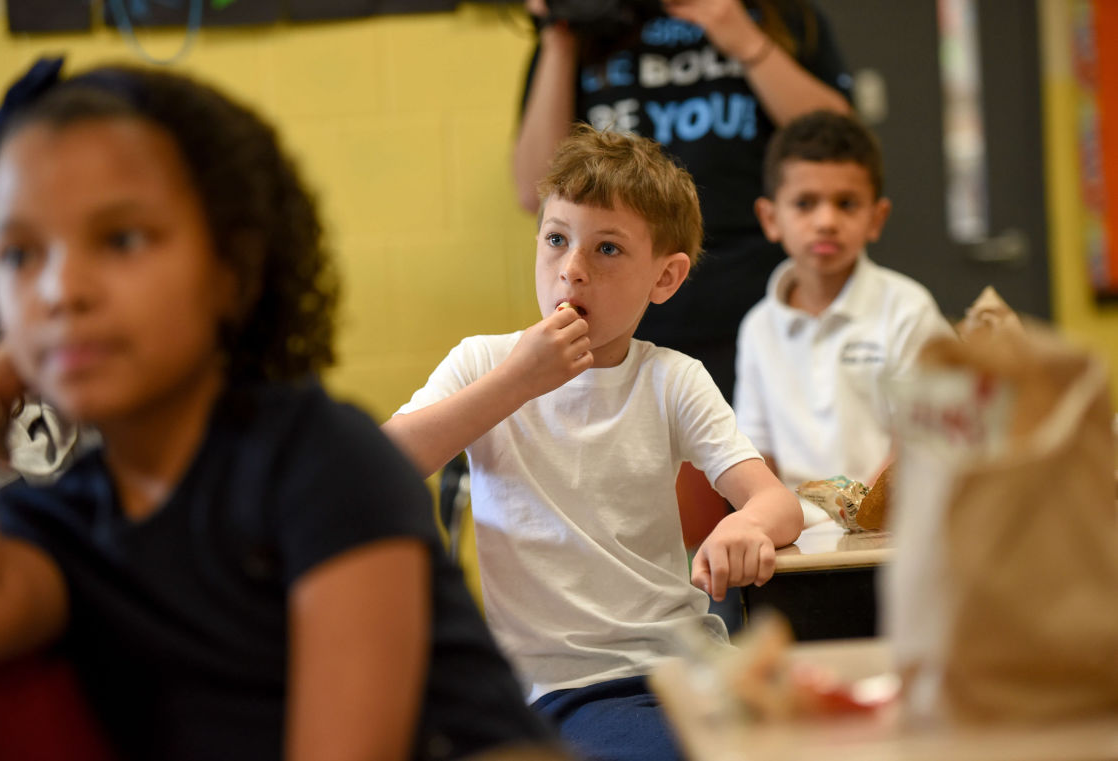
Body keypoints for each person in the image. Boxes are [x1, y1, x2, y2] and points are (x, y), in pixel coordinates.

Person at [0, 59, 557, 761]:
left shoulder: (322, 457)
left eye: (122, 240)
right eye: (19, 254)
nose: (60, 289)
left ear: (232, 268)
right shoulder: (68, 517)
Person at [384, 125, 802, 761]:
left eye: (607, 250)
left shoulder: (670, 377)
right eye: (556, 240)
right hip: (563, 689)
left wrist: (747, 526)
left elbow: (778, 504)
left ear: (664, 278)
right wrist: (516, 384)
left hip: (686, 667)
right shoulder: (484, 363)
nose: (571, 271)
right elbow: (381, 468)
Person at [514, 0, 852, 402]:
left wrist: (744, 39)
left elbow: (840, 150)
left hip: (762, 304)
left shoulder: (782, 15)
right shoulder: (585, 19)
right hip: (625, 318)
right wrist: (558, 35)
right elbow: (535, 188)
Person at [736, 109, 951, 496]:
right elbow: (756, 455)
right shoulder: (757, 327)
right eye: (805, 203)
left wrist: (862, 517)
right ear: (770, 218)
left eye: (847, 204)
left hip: (890, 530)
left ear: (876, 217)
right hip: (795, 538)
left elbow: (921, 440)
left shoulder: (908, 309)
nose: (826, 221)